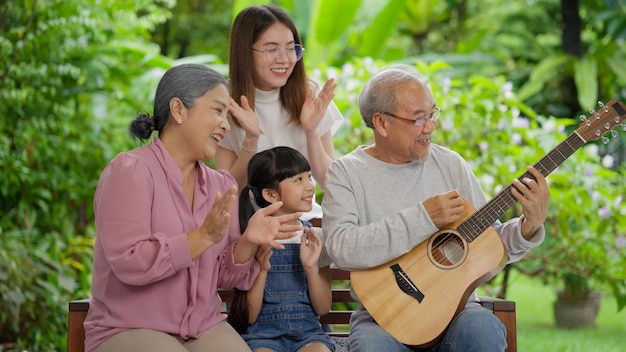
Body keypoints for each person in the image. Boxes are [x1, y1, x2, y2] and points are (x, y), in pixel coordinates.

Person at [322, 64, 550, 352]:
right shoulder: (346, 173)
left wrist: (530, 225)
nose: (430, 126)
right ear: (381, 123)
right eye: (419, 118)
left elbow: (489, 244)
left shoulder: (451, 164)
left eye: (432, 114)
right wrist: (424, 217)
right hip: (383, 320)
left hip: (458, 314)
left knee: (483, 329)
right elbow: (341, 247)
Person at [84, 63, 305, 352]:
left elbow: (224, 276)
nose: (226, 125)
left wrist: (249, 242)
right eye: (217, 110)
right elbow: (130, 261)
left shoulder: (217, 184)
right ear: (178, 110)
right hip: (128, 326)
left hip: (202, 325)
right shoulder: (130, 170)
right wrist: (201, 238)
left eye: (227, 115)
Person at [217, 4, 344, 219]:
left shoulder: (309, 95)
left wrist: (312, 132)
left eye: (290, 48)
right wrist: (251, 140)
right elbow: (227, 192)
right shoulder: (226, 103)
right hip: (254, 233)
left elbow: (328, 183)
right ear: (244, 52)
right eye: (271, 49)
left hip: (306, 225)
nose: (284, 59)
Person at [227, 146, 335, 352]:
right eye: (298, 180)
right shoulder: (253, 239)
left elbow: (322, 308)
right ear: (270, 194)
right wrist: (262, 270)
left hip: (309, 334)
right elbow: (250, 316)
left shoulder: (315, 239)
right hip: (262, 335)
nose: (310, 186)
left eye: (309, 176)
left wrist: (311, 269)